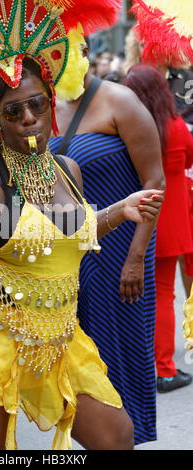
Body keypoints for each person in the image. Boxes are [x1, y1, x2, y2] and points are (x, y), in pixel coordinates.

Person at [0, 0, 164, 450]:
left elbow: (72, 231)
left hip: (60, 337)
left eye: (36, 104)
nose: (29, 119)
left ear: (50, 100)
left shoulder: (66, 169)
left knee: (116, 437)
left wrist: (121, 211)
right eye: (13, 111)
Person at [49, 43, 165, 444]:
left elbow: (155, 183)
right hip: (72, 258)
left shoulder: (120, 100)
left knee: (125, 352)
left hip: (123, 255)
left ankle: (128, 437)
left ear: (83, 48)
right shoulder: (44, 109)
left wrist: (135, 259)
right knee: (85, 359)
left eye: (69, 49)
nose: (60, 58)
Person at [124, 64, 193, 393]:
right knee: (163, 296)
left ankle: (146, 366)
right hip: (172, 221)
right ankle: (164, 369)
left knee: (141, 297)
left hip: (137, 218)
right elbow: (189, 160)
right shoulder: (177, 126)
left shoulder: (128, 126)